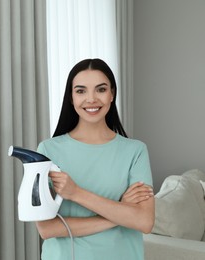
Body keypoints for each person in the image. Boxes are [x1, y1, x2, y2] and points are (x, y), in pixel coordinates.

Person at [36, 58, 155, 260]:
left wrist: (76, 193)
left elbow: (144, 221)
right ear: (71, 98)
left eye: (100, 89)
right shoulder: (48, 150)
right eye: (81, 91)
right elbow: (47, 229)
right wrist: (121, 213)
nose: (91, 99)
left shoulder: (135, 151)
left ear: (112, 94)